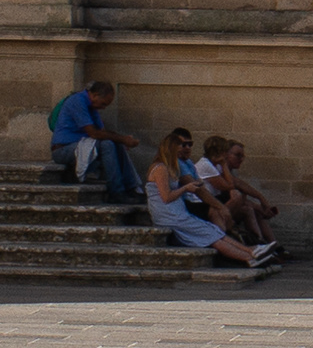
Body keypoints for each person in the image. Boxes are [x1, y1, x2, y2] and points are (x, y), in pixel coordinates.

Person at [145, 129, 276, 271]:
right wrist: (185, 188)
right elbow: (166, 197)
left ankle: (252, 250)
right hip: (170, 215)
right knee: (210, 234)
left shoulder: (172, 167)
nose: (184, 149)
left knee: (213, 230)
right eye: (181, 147)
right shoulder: (161, 169)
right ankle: (248, 257)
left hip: (177, 213)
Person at [48, 79, 138, 205]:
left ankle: (131, 188)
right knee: (107, 144)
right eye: (103, 104)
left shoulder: (92, 107)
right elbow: (94, 133)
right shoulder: (77, 101)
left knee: (115, 143)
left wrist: (122, 140)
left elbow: (102, 132)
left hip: (81, 146)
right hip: (63, 150)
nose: (103, 108)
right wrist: (123, 139)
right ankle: (116, 192)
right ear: (95, 95)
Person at [202, 135, 281, 249]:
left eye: (242, 156)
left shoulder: (225, 170)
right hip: (211, 210)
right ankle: (259, 244)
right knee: (242, 202)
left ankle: (270, 245)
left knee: (250, 207)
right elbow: (234, 185)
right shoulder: (214, 167)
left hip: (218, 207)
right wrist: (261, 201)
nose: (241, 159)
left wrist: (260, 206)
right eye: (237, 155)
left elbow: (239, 188)